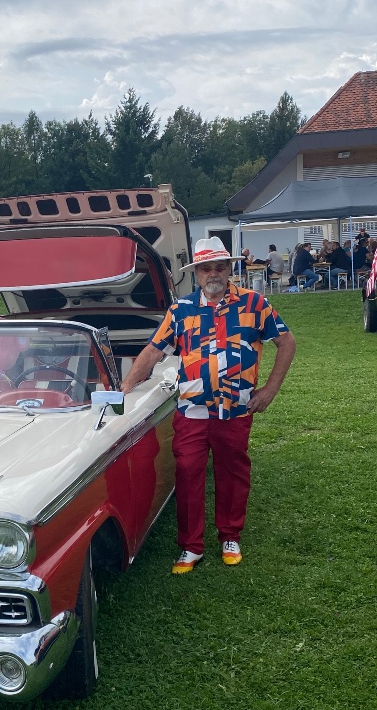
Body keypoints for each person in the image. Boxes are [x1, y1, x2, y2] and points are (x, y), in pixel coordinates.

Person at [121, 238, 296, 572]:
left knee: (233, 471)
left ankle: (230, 535)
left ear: (229, 269)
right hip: (192, 410)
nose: (213, 274)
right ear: (196, 274)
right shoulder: (181, 310)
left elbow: (286, 343)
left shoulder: (255, 305)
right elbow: (154, 350)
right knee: (187, 473)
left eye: (219, 267)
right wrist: (125, 387)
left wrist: (270, 390)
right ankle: (191, 546)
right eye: (206, 268)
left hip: (236, 408)